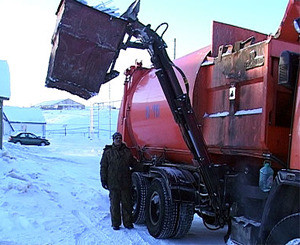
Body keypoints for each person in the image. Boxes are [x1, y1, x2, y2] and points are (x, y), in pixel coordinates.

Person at [100, 132, 141, 230]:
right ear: (113, 139)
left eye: (120, 138)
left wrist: (142, 167)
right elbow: (103, 167)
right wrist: (103, 180)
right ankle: (116, 224)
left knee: (127, 204)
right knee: (115, 204)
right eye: (116, 138)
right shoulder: (108, 152)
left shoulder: (127, 151)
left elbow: (133, 163)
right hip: (113, 182)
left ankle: (128, 223)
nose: (118, 139)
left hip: (125, 183)